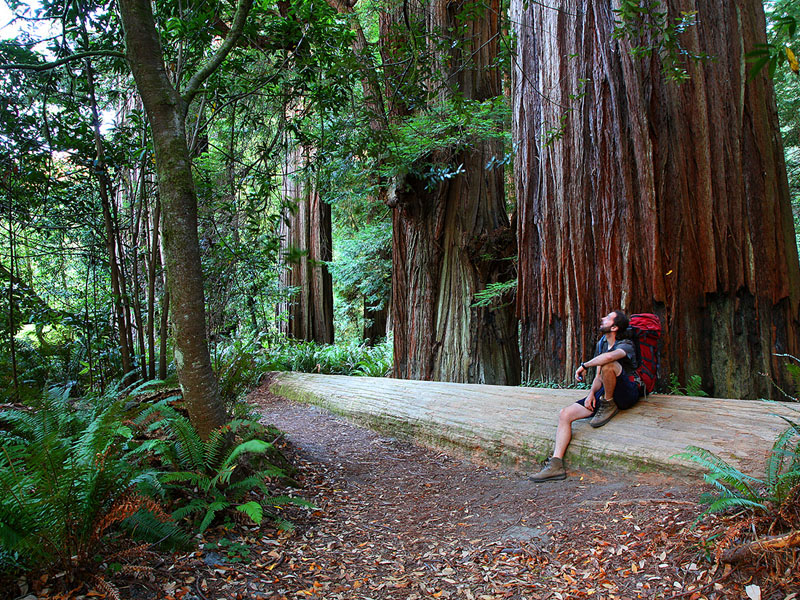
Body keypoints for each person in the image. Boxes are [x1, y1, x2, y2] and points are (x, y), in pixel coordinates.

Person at [530, 310, 642, 482]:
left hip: (628, 393)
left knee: (609, 363)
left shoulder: (626, 344)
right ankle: (556, 465)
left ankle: (609, 403)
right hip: (604, 390)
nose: (602, 318)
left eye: (607, 318)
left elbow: (611, 358)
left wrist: (584, 365)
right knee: (565, 414)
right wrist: (591, 394)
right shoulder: (602, 343)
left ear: (614, 327)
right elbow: (599, 376)